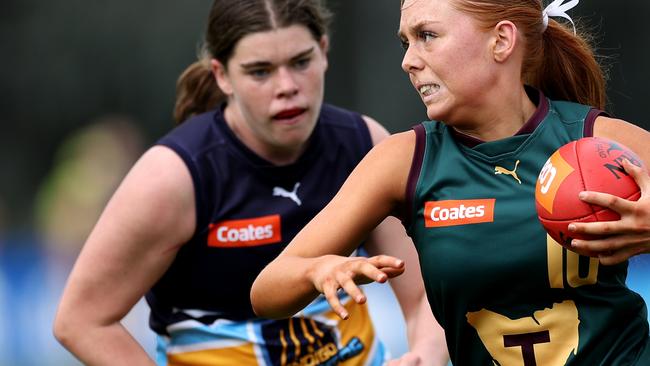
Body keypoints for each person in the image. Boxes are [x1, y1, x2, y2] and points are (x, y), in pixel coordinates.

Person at [251, 0, 650, 364]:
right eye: (405, 41)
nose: (408, 60)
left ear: (501, 41)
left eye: (427, 36)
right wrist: (316, 271)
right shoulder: (404, 160)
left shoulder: (599, 141)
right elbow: (266, 292)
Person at [53, 0, 449, 365]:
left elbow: (423, 297)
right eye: (260, 71)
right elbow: (81, 321)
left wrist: (425, 356)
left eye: (301, 61)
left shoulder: (363, 144)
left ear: (324, 52)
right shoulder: (174, 177)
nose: (287, 86)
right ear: (222, 76)